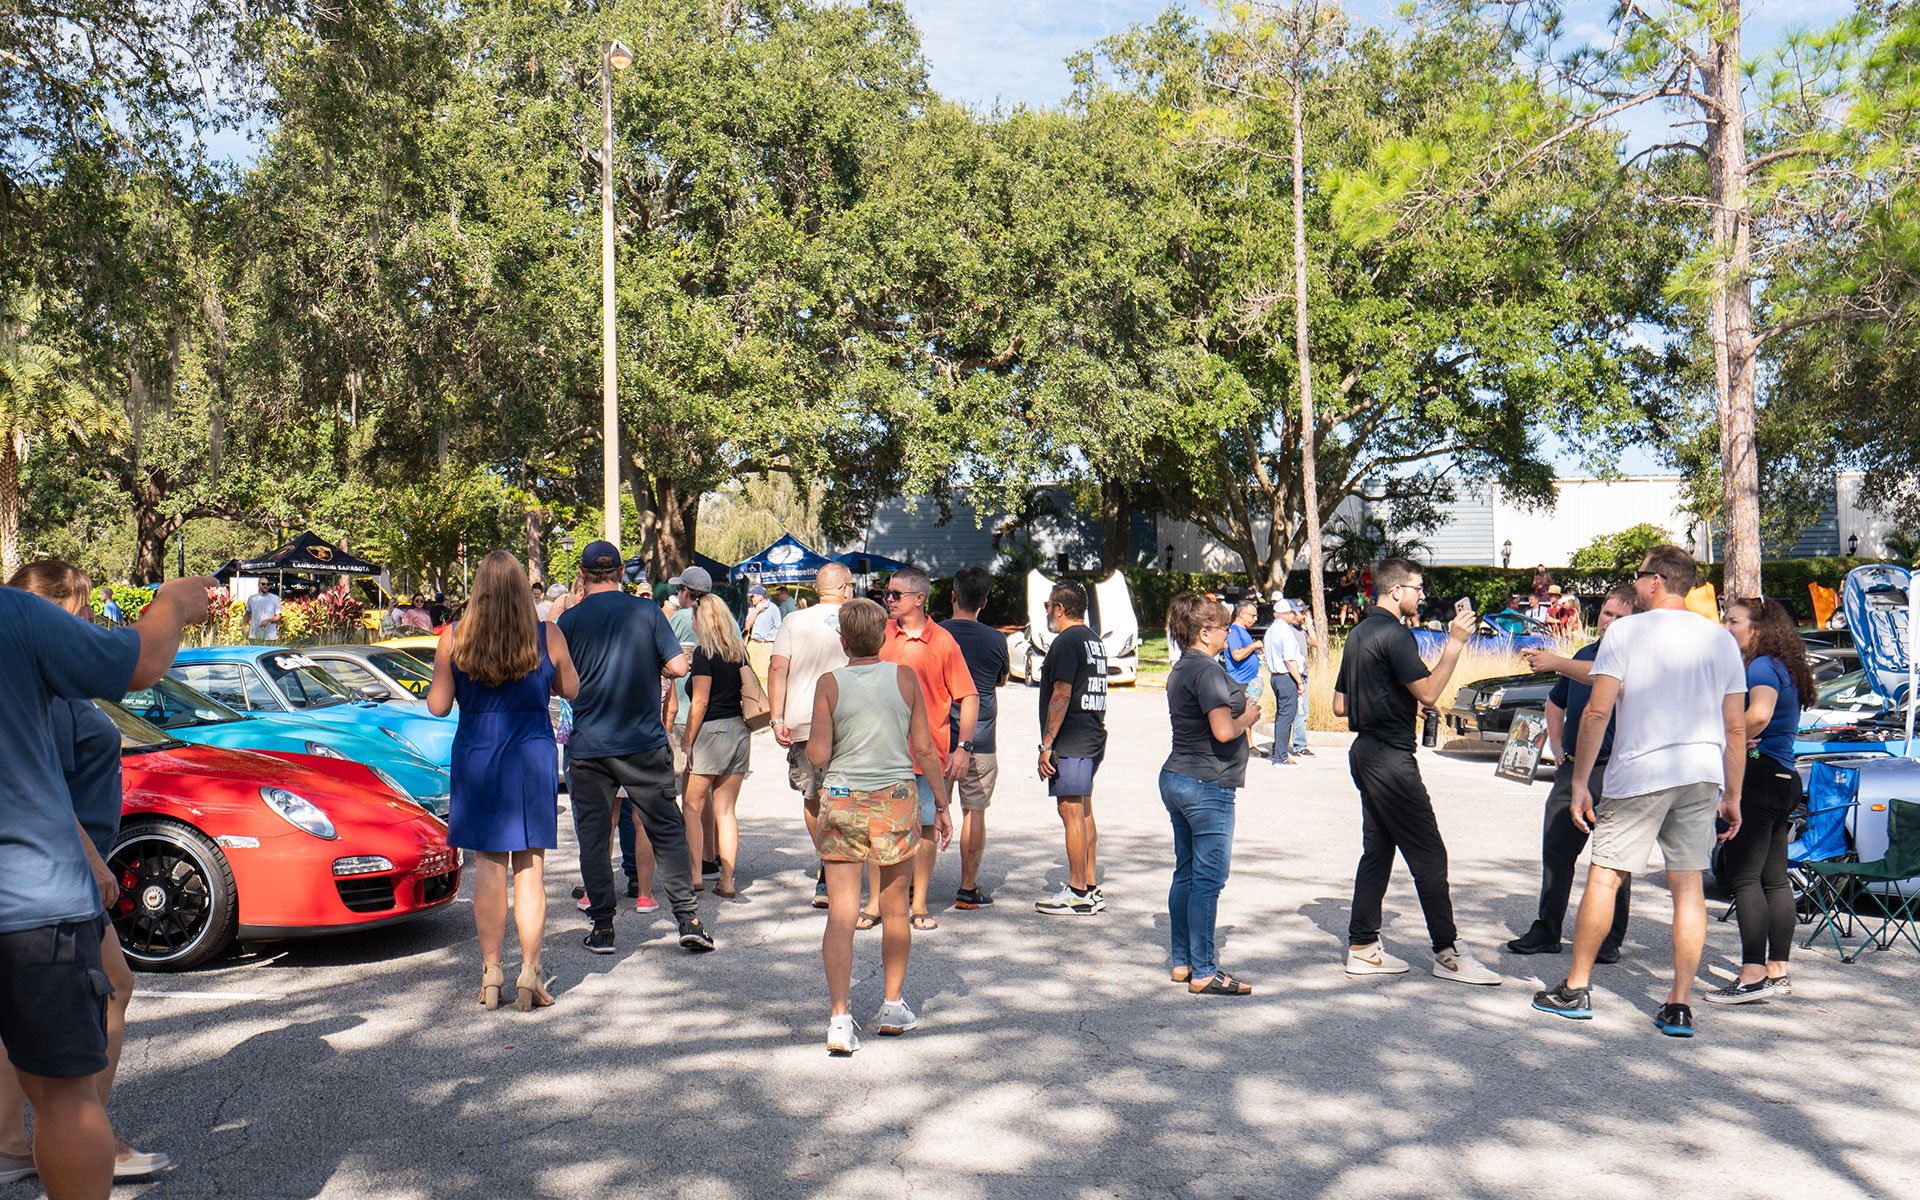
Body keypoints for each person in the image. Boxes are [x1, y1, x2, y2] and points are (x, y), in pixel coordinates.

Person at [0, 565, 208, 1200]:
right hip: (30, 900)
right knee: (65, 1097)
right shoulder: (16, 618)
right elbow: (142, 662)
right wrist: (172, 602)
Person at [1532, 545, 1747, 1037]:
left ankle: (1577, 987)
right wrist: (1732, 794)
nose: (1637, 581)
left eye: (1640, 575)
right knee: (1687, 887)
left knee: (1605, 877)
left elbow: (1597, 710)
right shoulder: (1720, 641)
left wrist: (1581, 780)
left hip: (1640, 771)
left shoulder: (1626, 631)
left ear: (1655, 582)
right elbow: (1734, 729)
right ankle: (1678, 1004)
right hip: (1700, 771)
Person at [1334, 557, 1502, 985]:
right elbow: (1428, 690)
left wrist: (1387, 698)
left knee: (1379, 850)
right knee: (1430, 854)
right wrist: (1455, 643)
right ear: (1396, 592)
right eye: (1418, 588)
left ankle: (1363, 946)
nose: (1422, 595)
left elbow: (1339, 705)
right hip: (1390, 757)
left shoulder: (1358, 633)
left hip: (1365, 750)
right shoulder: (1395, 633)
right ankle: (1447, 953)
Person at [427, 551, 579, 1011]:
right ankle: (530, 973)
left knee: (489, 868)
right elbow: (572, 689)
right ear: (519, 590)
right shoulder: (546, 634)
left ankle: (492, 972)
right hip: (529, 753)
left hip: (477, 755)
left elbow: (437, 706)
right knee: (529, 869)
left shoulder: (454, 637)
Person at [807, 599, 951, 1055]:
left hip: (844, 801)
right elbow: (925, 750)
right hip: (895, 800)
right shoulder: (904, 678)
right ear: (882, 637)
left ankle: (839, 1018)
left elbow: (817, 754)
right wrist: (942, 803)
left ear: (844, 641)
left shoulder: (829, 684)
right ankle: (891, 1005)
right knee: (894, 909)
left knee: (842, 912)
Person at [556, 541, 713, 956]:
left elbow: (557, 681)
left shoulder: (568, 621)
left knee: (593, 836)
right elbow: (679, 667)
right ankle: (688, 918)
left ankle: (604, 928)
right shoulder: (646, 612)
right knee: (666, 829)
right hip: (642, 741)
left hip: (589, 747)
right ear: (622, 572)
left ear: (584, 575)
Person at [1510, 586, 1638, 958]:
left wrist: (1556, 661)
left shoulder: (1632, 658)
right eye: (1607, 614)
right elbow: (1555, 702)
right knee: (1557, 848)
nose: (1610, 623)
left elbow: (1600, 677)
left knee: (1613, 857)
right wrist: (1557, 746)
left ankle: (1609, 939)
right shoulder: (1586, 653)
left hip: (1615, 767)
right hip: (1575, 767)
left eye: (1620, 617)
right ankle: (1547, 929)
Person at [1708, 596, 1814, 1005]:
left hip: (1760, 774)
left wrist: (1727, 732)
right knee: (1773, 877)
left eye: (1733, 620)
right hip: (1784, 777)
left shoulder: (1762, 666)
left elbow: (1759, 714)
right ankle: (1777, 971)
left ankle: (1751, 975)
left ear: (1759, 627)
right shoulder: (1784, 665)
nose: (1726, 627)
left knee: (1745, 877)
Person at [1160, 593, 1264, 995]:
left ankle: (1183, 961)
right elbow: (1223, 730)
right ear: (1205, 633)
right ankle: (1204, 970)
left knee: (1185, 872)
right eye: (1223, 627)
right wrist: (1248, 718)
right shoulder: (1206, 671)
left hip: (1178, 776)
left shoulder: (1182, 668)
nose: (1229, 632)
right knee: (1208, 879)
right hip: (1207, 783)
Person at [871, 567, 975, 930]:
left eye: (896, 594)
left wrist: (963, 746)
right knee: (879, 829)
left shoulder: (944, 641)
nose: (889, 600)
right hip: (883, 751)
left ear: (919, 598)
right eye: (888, 593)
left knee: (928, 828)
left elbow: (969, 696)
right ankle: (874, 903)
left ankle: (919, 904)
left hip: (928, 754)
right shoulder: (880, 634)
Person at [769, 563, 854, 909]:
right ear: (846, 588)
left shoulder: (793, 620)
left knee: (812, 795)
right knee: (848, 794)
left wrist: (776, 717)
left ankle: (825, 863)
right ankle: (843, 862)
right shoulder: (858, 618)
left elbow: (777, 667)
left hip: (803, 720)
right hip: (849, 720)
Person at [1035, 579, 1110, 916]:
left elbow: (1062, 694)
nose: (1048, 611)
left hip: (1072, 739)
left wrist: (1046, 744)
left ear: (1061, 608)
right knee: (1084, 810)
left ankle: (1078, 890)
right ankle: (1090, 885)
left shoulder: (1066, 642)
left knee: (1070, 812)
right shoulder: (1094, 640)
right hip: (1092, 734)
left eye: (1049, 606)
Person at [941, 565, 1010, 908]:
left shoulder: (935, 634)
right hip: (980, 738)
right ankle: (967, 887)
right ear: (984, 601)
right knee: (975, 812)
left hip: (938, 738)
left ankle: (910, 885)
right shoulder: (996, 639)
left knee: (925, 811)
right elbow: (999, 680)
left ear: (952, 596)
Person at [682, 594, 757, 898]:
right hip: (740, 730)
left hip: (711, 732)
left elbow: (699, 700)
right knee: (726, 811)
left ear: (702, 620)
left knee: (691, 805)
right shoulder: (739, 652)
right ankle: (727, 879)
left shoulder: (704, 653)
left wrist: (687, 741)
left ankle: (695, 874)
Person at [1262, 599, 1305, 768]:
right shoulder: (1285, 632)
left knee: (1281, 715)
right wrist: (1299, 682)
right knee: (1287, 716)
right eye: (1293, 613)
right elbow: (1290, 660)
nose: (1294, 616)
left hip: (1275, 676)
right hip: (1286, 676)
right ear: (1286, 614)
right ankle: (1280, 757)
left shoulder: (1271, 630)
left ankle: (1278, 750)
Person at [1223, 601, 1263, 734]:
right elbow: (1237, 655)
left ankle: (1249, 745)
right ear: (1242, 614)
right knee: (1242, 714)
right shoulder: (1234, 631)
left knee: (1248, 712)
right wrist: (1253, 645)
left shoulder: (1243, 631)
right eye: (1252, 616)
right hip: (1240, 680)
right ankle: (1243, 745)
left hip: (1248, 680)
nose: (1255, 619)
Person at [744, 584, 782, 687]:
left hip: (766, 644)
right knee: (749, 672)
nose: (751, 598)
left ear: (760, 597)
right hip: (753, 643)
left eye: (753, 596)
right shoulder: (752, 609)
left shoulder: (773, 609)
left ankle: (764, 699)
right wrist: (756, 612)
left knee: (763, 675)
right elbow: (747, 626)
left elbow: (778, 628)